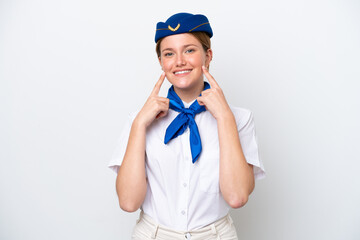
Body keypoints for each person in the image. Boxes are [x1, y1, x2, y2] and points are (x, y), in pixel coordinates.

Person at [108, 12, 265, 240]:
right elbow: (129, 202)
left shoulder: (239, 119)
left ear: (207, 55)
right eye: (169, 54)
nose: (179, 61)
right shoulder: (139, 120)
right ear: (161, 62)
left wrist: (224, 119)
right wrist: (140, 125)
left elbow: (237, 197)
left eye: (189, 50)